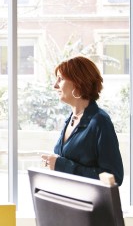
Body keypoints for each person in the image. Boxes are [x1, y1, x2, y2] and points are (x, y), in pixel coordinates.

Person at [40, 55, 124, 186]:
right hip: (69, 201)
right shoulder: (70, 119)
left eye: (60, 79)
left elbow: (114, 177)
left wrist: (62, 165)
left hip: (90, 205)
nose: (55, 85)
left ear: (77, 83)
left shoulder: (100, 122)